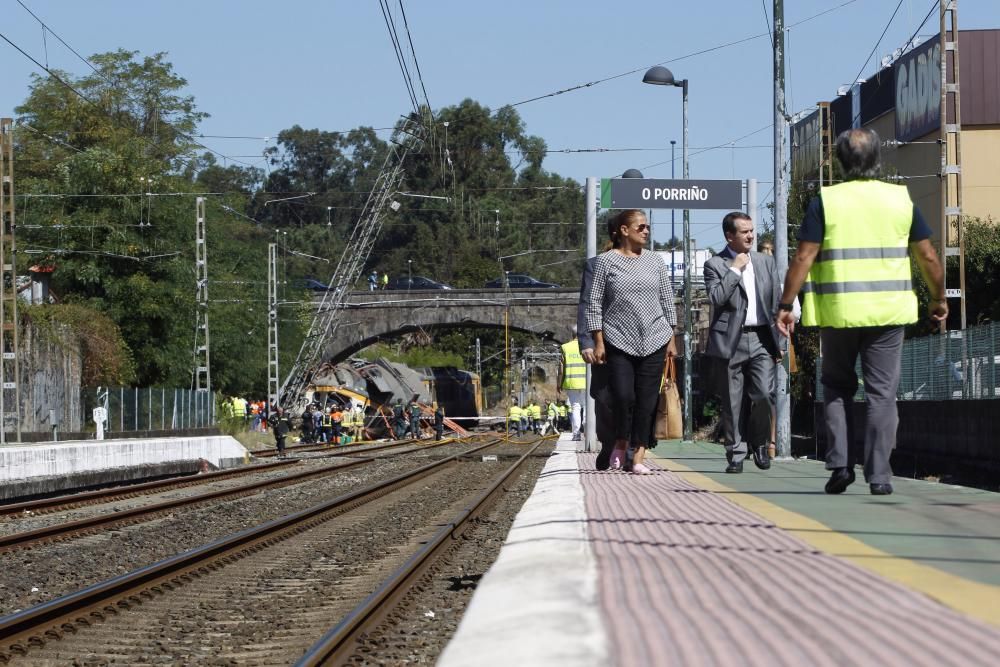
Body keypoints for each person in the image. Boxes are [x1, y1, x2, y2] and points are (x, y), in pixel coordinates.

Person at [776, 127, 946, 496]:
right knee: (882, 393)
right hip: (888, 313)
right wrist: (938, 299)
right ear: (877, 160)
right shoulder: (900, 199)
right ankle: (880, 475)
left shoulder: (827, 201)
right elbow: (928, 255)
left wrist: (787, 305)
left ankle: (839, 465)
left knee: (836, 387)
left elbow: (803, 257)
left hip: (839, 313)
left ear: (839, 162)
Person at [587, 209, 678, 475]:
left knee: (647, 401)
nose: (646, 231)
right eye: (641, 227)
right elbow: (594, 303)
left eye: (648, 227)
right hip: (618, 338)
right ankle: (621, 440)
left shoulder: (656, 261)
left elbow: (667, 301)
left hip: (655, 338)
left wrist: (671, 338)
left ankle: (638, 456)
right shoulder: (605, 262)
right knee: (623, 396)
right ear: (624, 231)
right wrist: (599, 340)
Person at [704, 211, 785, 474]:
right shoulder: (715, 264)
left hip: (762, 337)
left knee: (763, 394)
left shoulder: (765, 262)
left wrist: (779, 341)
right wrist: (735, 269)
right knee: (732, 401)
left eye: (752, 230)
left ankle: (760, 443)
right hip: (731, 341)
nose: (751, 235)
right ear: (730, 236)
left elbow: (774, 302)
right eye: (744, 232)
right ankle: (736, 454)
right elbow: (717, 298)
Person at [579, 235, 623, 470]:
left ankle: (630, 445)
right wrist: (586, 341)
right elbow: (586, 303)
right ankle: (608, 443)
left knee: (633, 395)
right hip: (603, 340)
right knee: (604, 396)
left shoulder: (649, 262)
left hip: (639, 340)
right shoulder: (595, 265)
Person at [559, 334, 587, 418]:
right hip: (586, 382)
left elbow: (561, 369)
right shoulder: (588, 346)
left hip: (571, 382)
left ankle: (576, 431)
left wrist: (559, 384)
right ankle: (586, 428)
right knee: (586, 406)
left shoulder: (565, 347)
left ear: (572, 334)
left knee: (575, 407)